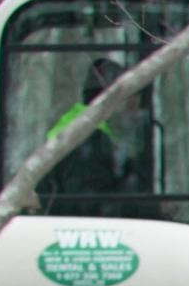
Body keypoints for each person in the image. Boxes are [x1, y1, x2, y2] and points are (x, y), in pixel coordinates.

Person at [42, 57, 133, 201]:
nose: (132, 108)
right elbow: (90, 202)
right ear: (111, 99)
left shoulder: (80, 126)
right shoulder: (88, 140)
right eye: (129, 98)